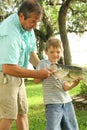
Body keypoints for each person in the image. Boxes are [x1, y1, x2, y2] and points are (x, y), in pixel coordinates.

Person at [0, 1, 52, 130]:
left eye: (37, 22)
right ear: (22, 16)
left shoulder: (27, 27)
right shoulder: (9, 32)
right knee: (9, 116)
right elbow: (8, 67)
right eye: (33, 21)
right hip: (5, 76)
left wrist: (44, 67)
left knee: (22, 112)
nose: (35, 26)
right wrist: (37, 74)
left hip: (19, 74)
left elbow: (30, 53)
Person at [34, 37, 82, 130]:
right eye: (52, 52)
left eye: (58, 52)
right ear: (46, 52)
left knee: (71, 127)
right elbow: (36, 80)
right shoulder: (43, 64)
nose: (55, 54)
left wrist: (74, 84)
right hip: (52, 104)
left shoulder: (61, 68)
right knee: (53, 128)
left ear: (61, 52)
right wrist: (45, 74)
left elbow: (64, 87)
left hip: (67, 102)